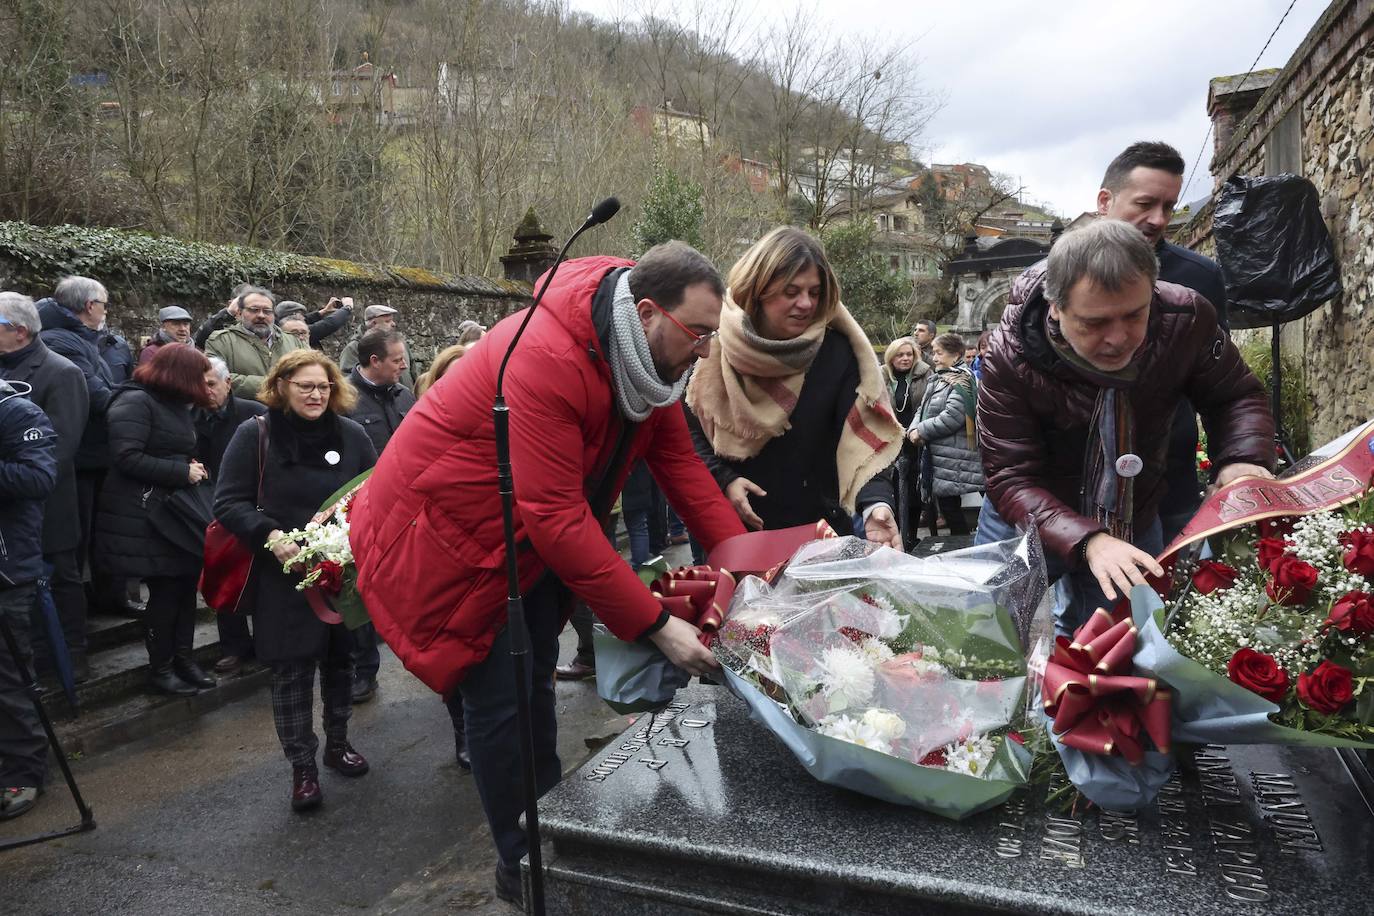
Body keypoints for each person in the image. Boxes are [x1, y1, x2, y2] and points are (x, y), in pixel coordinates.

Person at [348, 241, 745, 905]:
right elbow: (556, 517)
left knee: (531, 686)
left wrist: (750, 574)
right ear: (647, 312)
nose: (705, 350)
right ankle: (522, 863)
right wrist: (656, 626)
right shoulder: (548, 354)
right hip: (451, 545)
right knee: (501, 701)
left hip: (517, 543)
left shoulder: (645, 365)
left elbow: (685, 473)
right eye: (698, 332)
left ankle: (547, 832)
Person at [974, 219, 1274, 634]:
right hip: (1024, 515)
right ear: (1056, 307)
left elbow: (1235, 395)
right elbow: (1010, 476)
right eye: (1094, 323)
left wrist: (1241, 458)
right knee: (988, 641)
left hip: (1131, 509)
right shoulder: (1010, 354)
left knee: (1123, 651)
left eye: (1135, 315)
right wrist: (1089, 541)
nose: (1119, 338)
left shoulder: (1184, 318)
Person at [213, 349, 377, 812]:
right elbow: (227, 502)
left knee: (342, 662)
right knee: (291, 671)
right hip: (284, 576)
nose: (315, 394)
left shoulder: (352, 434)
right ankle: (302, 766)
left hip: (342, 571)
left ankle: (338, 743)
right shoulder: (256, 434)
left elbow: (375, 492)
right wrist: (268, 533)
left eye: (323, 386)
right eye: (305, 385)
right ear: (281, 386)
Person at [685, 227, 903, 548]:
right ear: (758, 288)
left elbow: (861, 439)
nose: (806, 304)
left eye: (814, 293)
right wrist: (724, 480)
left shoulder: (837, 351)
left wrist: (876, 505)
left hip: (820, 535)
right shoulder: (713, 344)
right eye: (792, 291)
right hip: (738, 535)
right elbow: (686, 432)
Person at [1094, 141, 1230, 545]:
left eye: (1168, 207)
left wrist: (1232, 462)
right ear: (1105, 200)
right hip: (1082, 489)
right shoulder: (1058, 275)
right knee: (1094, 609)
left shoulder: (1200, 278)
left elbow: (1221, 385)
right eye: (1145, 203)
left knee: (1181, 600)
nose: (1157, 219)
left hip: (1173, 482)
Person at [96, 344, 218, 696]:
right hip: (145, 517)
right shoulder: (135, 402)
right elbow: (126, 456)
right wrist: (181, 472)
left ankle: (184, 660)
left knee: (183, 592)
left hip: (172, 514)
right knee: (164, 595)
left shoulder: (174, 405)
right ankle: (161, 668)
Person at [0, 293, 90, 682]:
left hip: (48, 502)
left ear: (18, 331)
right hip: (11, 513)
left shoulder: (62, 371)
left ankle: (73, 658)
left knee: (62, 579)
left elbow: (63, 446)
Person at [343, 327, 416, 703]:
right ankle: (364, 670)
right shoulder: (344, 399)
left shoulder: (404, 394)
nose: (404, 366)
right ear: (374, 361)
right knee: (362, 589)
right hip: (360, 508)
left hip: (405, 505)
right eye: (397, 361)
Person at [0, 378, 57, 822]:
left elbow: (39, 477)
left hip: (8, 567)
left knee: (9, 676)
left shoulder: (17, 411)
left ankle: (25, 771)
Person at [196, 357, 266, 676]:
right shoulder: (189, 416)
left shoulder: (254, 412)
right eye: (199, 385)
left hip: (254, 502)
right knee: (224, 573)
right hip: (210, 504)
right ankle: (234, 645)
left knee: (261, 577)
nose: (205, 391)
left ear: (228, 383)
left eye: (211, 383)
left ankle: (267, 642)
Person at [907, 333, 982, 537]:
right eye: (933, 352)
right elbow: (922, 408)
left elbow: (952, 416)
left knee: (951, 509)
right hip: (941, 456)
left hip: (956, 455)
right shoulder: (938, 378)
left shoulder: (962, 379)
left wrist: (921, 430)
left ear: (956, 354)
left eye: (939, 352)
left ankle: (965, 548)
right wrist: (913, 429)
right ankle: (961, 546)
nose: (934, 357)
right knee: (948, 508)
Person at [205, 285, 306, 399]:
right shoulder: (221, 341)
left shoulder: (294, 342)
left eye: (267, 311)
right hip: (244, 413)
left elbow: (313, 373)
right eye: (254, 310)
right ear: (239, 313)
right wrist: (272, 384)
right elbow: (215, 378)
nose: (261, 315)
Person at [882, 336, 932, 541]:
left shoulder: (925, 373)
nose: (905, 358)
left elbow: (930, 403)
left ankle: (910, 534)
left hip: (915, 440)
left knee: (913, 490)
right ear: (891, 357)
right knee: (892, 488)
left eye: (909, 354)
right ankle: (894, 534)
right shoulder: (881, 375)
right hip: (889, 440)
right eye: (900, 355)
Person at [339, 305, 416, 390]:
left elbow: (413, 372)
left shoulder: (401, 345)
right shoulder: (353, 348)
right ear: (373, 323)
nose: (393, 324)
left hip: (404, 399)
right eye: (387, 321)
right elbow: (349, 382)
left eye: (392, 320)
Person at [275, 298, 353, 348]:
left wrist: (323, 311)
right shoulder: (298, 333)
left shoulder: (280, 328)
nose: (303, 318)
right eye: (300, 315)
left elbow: (306, 319)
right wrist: (347, 308)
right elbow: (329, 324)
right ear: (292, 316)